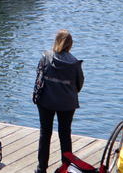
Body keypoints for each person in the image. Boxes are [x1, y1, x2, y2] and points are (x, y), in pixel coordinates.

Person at [34, 30, 84, 173]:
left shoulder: (46, 57)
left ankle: (41, 168)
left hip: (45, 101)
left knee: (45, 133)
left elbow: (39, 77)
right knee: (65, 134)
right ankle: (66, 167)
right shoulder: (75, 63)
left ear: (55, 41)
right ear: (70, 44)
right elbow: (79, 84)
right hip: (67, 103)